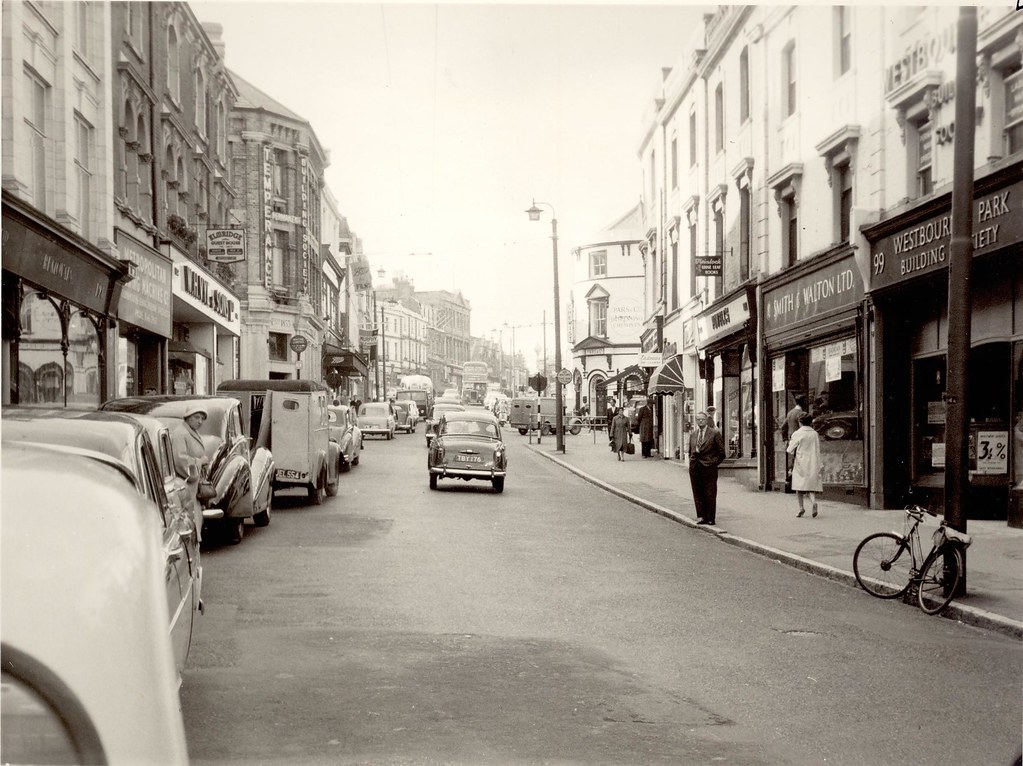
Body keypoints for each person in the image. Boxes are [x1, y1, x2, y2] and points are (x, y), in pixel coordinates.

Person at [171, 403, 210, 537]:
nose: (200, 421)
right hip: (185, 486)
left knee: (194, 521)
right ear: (188, 418)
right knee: (188, 523)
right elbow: (180, 460)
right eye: (197, 417)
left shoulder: (191, 432)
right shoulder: (180, 434)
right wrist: (199, 462)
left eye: (202, 418)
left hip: (193, 486)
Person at [689, 410, 726, 525]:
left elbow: (722, 453)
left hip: (709, 467)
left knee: (710, 492)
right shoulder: (693, 434)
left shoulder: (714, 434)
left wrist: (713, 463)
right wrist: (691, 463)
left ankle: (710, 518)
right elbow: (691, 450)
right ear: (696, 421)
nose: (700, 421)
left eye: (703, 419)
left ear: (707, 421)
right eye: (698, 419)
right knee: (697, 492)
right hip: (695, 467)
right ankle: (701, 516)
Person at [787, 412, 823, 517]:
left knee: (799, 486)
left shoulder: (798, 433)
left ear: (800, 422)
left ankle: (801, 508)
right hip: (813, 462)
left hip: (801, 463)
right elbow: (817, 449)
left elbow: (790, 450)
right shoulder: (814, 434)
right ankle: (814, 502)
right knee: (810, 486)